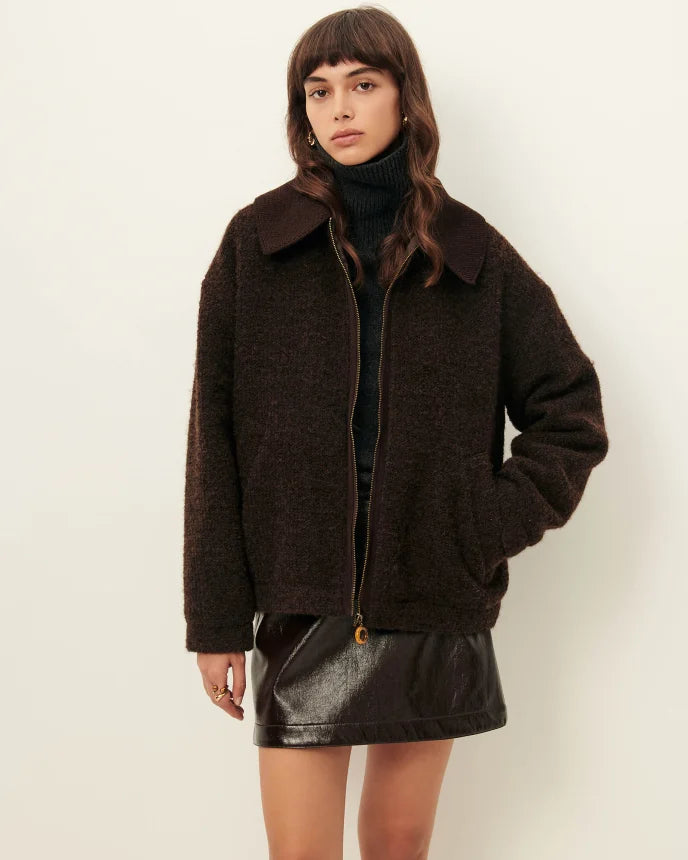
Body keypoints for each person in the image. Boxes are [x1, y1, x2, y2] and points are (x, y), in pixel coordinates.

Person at [182, 7, 609, 857]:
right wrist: (216, 620)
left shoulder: (471, 253)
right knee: (301, 851)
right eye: (318, 91)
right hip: (302, 595)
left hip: (430, 593)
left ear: (404, 98)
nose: (339, 108)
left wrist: (476, 527)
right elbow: (212, 443)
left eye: (363, 84)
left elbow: (571, 412)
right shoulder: (257, 245)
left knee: (399, 843)